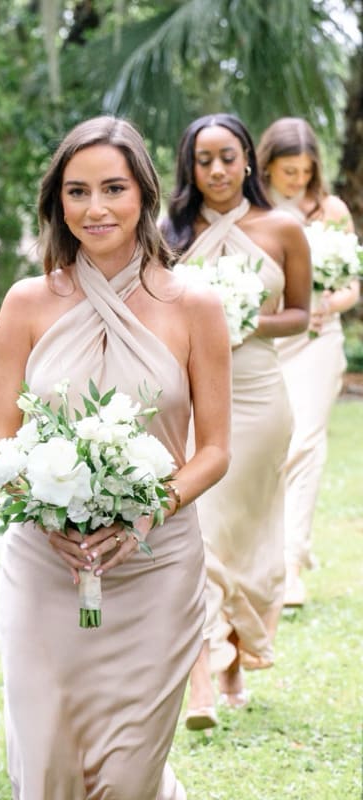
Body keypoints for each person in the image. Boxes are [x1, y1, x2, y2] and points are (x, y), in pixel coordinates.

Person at [0, 116, 231, 798]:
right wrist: (40, 506)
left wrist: (151, 510)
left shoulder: (196, 305)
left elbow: (214, 450)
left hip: (155, 565)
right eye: (77, 191)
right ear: (56, 204)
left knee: (127, 772)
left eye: (114, 189)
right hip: (45, 560)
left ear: (145, 195)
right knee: (49, 756)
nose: (95, 208)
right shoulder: (26, 302)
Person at [161, 113, 311, 729]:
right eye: (204, 160)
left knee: (242, 536)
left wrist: (242, 319)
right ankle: (200, 681)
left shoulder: (283, 228)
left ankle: (232, 665)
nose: (217, 170)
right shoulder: (169, 232)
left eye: (228, 157)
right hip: (189, 398)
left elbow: (301, 314)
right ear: (189, 168)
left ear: (249, 160)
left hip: (258, 396)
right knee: (199, 532)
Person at [257, 116, 361, 607]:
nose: (297, 180)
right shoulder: (253, 210)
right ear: (268, 168)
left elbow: (351, 285)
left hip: (319, 339)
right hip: (271, 341)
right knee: (272, 446)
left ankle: (293, 564)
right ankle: (266, 557)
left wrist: (327, 304)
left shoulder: (330, 210)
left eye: (304, 171)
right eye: (287, 171)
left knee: (307, 442)